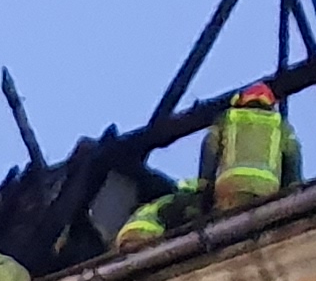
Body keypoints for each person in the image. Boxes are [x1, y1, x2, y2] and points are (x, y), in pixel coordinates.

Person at [112, 80, 298, 250]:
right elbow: (292, 160)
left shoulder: (228, 118)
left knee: (224, 233)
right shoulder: (281, 126)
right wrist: (292, 194)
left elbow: (209, 151)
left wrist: (204, 187)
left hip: (229, 188)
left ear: (240, 100)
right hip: (267, 189)